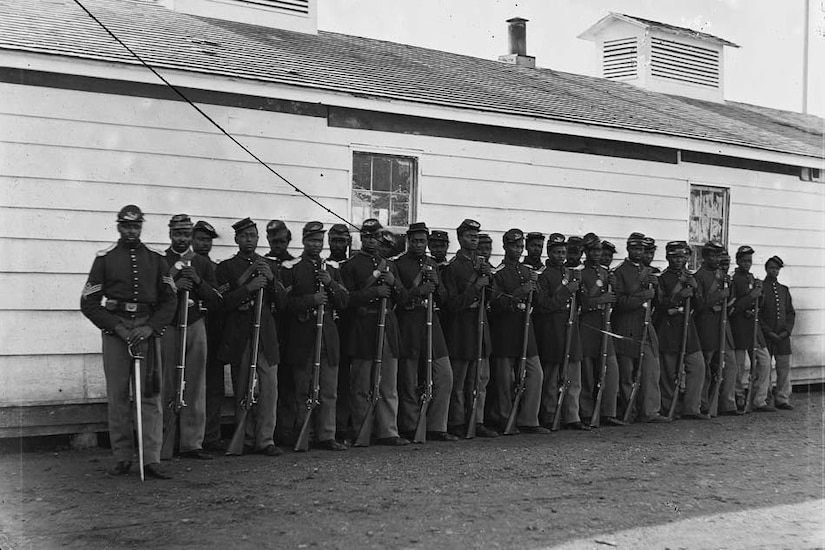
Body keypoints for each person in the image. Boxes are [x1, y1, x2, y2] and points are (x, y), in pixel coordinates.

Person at [80, 205, 177, 479]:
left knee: (150, 395)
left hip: (146, 331)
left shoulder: (156, 258)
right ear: (119, 226)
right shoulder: (105, 259)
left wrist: (151, 327)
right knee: (118, 396)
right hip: (116, 332)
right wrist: (117, 328)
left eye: (136, 226)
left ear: (141, 227)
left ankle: (151, 459)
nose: (131, 231)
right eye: (126, 226)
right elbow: (88, 302)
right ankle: (122, 457)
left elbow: (170, 298)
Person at [215, 218, 286, 456]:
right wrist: (249, 287)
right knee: (243, 386)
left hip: (265, 331)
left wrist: (272, 280)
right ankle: (244, 437)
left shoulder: (270, 265)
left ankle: (265, 439)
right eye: (244, 236)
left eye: (253, 236)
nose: (249, 240)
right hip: (241, 332)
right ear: (236, 239)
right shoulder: (226, 267)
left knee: (269, 388)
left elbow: (283, 302)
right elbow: (222, 303)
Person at [280, 222, 349, 451]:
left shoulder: (332, 268)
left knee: (328, 390)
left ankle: (326, 435)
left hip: (328, 335)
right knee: (303, 389)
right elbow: (284, 304)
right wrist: (311, 301)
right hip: (303, 335)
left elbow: (344, 301)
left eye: (319, 241)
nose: (315, 245)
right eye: (311, 240)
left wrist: (330, 283)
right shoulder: (291, 268)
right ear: (303, 241)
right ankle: (304, 434)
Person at [340, 219, 409, 446]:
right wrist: (374, 291)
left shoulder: (389, 265)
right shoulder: (350, 266)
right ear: (361, 238)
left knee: (388, 384)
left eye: (375, 236)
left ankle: (388, 431)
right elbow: (346, 299)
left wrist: (393, 284)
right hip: (364, 327)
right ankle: (363, 430)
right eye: (367, 236)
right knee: (361, 384)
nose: (371, 240)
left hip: (387, 327)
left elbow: (403, 298)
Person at [160, 214, 222, 459]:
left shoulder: (202, 264)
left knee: (195, 385)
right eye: (177, 234)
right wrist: (175, 285)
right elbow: (154, 296)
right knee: (168, 383)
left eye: (186, 234)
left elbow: (217, 300)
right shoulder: (161, 261)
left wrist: (197, 281)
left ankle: (192, 443)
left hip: (195, 324)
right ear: (170, 234)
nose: (182, 239)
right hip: (170, 325)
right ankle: (166, 438)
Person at [394, 222, 458, 442]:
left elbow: (445, 299)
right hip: (409, 324)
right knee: (409, 378)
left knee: (444, 374)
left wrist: (437, 285)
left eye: (423, 241)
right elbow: (399, 298)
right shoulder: (399, 264)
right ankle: (411, 425)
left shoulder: (433, 264)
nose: (419, 245)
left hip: (432, 322)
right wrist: (418, 288)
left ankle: (436, 426)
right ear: (408, 241)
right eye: (415, 241)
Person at [488, 229, 549, 434]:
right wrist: (518, 294)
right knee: (506, 380)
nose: (519, 250)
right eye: (515, 246)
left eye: (521, 246)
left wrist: (535, 288)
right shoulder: (499, 272)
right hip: (506, 331)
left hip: (525, 328)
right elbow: (495, 304)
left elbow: (539, 302)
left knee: (535, 374)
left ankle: (528, 419)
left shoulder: (526, 271)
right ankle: (506, 419)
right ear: (505, 246)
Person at [442, 219, 498, 438]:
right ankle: (457, 421)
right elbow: (452, 304)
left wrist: (489, 279)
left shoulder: (482, 264)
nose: (473, 238)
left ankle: (478, 420)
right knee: (459, 382)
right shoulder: (453, 267)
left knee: (480, 380)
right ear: (460, 237)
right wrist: (476, 286)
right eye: (469, 235)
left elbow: (492, 298)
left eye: (476, 235)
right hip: (461, 330)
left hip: (480, 329)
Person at [612, 233, 669, 423]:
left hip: (646, 323)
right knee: (627, 372)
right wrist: (643, 294)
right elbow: (619, 302)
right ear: (628, 249)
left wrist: (656, 288)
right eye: (635, 249)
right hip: (626, 325)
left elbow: (659, 302)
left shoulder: (649, 271)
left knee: (651, 369)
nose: (639, 253)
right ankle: (630, 411)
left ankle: (650, 411)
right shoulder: (620, 272)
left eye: (642, 250)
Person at [534, 233, 588, 430]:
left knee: (573, 375)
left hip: (570, 329)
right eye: (556, 252)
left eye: (563, 252)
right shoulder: (543, 274)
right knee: (551, 377)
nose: (560, 256)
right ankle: (549, 415)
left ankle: (572, 416)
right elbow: (544, 304)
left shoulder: (570, 273)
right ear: (549, 252)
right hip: (552, 330)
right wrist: (567, 290)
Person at [654, 241, 707, 420]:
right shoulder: (662, 278)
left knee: (697, 366)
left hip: (688, 327)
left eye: (683, 256)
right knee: (669, 372)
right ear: (668, 257)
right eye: (675, 256)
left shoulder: (691, 277)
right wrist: (679, 294)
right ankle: (670, 408)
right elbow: (660, 305)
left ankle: (692, 408)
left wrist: (696, 289)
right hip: (668, 329)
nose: (679, 260)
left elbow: (700, 306)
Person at [578, 233, 623, 426]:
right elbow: (583, 302)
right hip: (588, 324)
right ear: (586, 252)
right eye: (593, 250)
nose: (597, 254)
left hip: (605, 323)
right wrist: (599, 300)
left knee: (610, 370)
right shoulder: (580, 273)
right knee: (588, 371)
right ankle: (587, 412)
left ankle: (608, 411)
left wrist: (614, 287)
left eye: (599, 250)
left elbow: (617, 298)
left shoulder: (606, 273)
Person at [191, 220, 227, 451]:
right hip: (191, 331)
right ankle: (188, 437)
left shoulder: (216, 269)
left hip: (213, 333)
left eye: (208, 240)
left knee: (214, 387)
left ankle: (211, 436)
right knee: (191, 385)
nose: (204, 244)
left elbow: (222, 298)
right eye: (200, 239)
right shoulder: (184, 265)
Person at [693, 242, 740, 416]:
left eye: (718, 256)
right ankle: (704, 403)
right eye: (712, 255)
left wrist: (727, 295)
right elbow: (699, 305)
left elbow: (731, 301)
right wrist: (719, 296)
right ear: (704, 257)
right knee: (706, 365)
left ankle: (727, 403)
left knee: (730, 365)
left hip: (723, 326)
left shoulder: (723, 275)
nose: (716, 259)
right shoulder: (699, 276)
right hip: (707, 326)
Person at [729, 245, 774, 412]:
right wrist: (751, 297)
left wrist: (759, 293)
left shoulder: (752, 278)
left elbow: (759, 304)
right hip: (740, 328)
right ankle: (739, 397)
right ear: (738, 261)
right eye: (744, 260)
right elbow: (732, 307)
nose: (747, 264)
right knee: (739, 367)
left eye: (749, 261)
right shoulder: (734, 280)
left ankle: (759, 399)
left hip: (754, 328)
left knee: (765, 361)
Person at [264, 219, 296, 443]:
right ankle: (266, 432)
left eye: (282, 241)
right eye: (274, 241)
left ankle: (286, 431)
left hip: (291, 330)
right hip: (269, 329)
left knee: (289, 384)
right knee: (268, 385)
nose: (278, 245)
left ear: (289, 240)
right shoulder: (262, 263)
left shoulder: (296, 265)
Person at [760, 256, 795, 410]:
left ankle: (782, 398)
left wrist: (786, 331)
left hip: (782, 336)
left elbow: (790, 313)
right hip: (766, 336)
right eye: (771, 268)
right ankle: (765, 398)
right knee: (764, 368)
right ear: (766, 269)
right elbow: (758, 315)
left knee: (784, 367)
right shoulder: (760, 287)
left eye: (777, 269)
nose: (774, 271)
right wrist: (768, 332)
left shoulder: (784, 290)